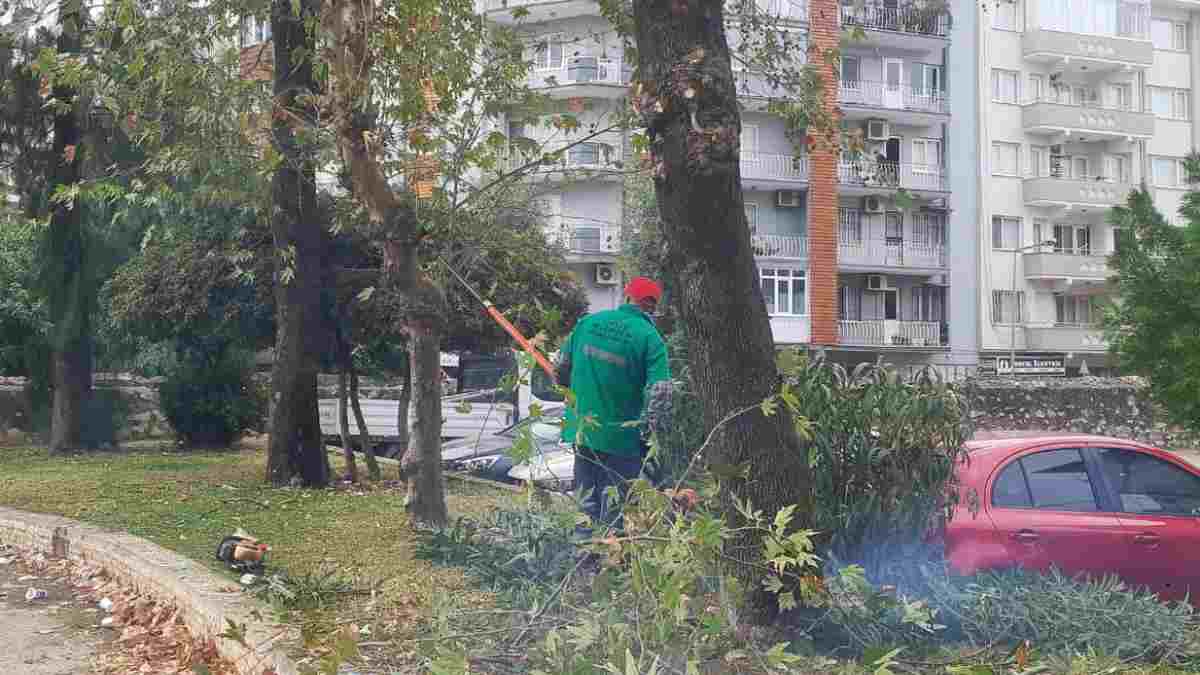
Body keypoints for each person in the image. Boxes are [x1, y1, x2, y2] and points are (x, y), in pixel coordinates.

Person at [557, 276, 671, 539]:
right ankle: (610, 569)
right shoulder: (650, 338)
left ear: (626, 296)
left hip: (582, 431)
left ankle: (583, 563)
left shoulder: (588, 323)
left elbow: (561, 369)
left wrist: (571, 388)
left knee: (585, 501)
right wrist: (650, 434)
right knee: (617, 510)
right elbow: (661, 393)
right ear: (652, 306)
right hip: (622, 440)